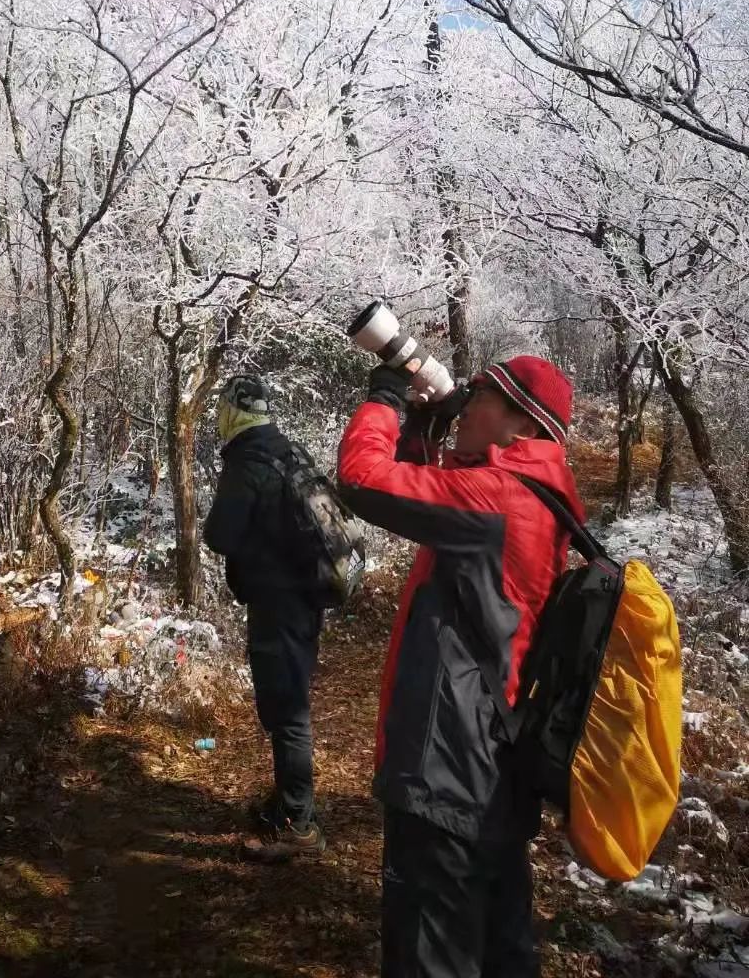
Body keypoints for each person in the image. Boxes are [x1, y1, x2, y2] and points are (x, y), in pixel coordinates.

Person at [337, 355, 582, 978]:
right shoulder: (531, 497)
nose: (467, 405)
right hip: (492, 769)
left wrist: (385, 402)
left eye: (481, 398)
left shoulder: (497, 502)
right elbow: (428, 493)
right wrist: (424, 427)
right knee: (499, 953)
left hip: (447, 768)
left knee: (432, 959)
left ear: (522, 427)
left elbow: (364, 480)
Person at [203, 374, 326, 862]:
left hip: (277, 603)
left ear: (233, 412)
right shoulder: (289, 451)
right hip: (307, 597)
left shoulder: (247, 462)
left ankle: (299, 824)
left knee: (287, 713)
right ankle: (289, 806)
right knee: (288, 704)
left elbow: (219, 536)